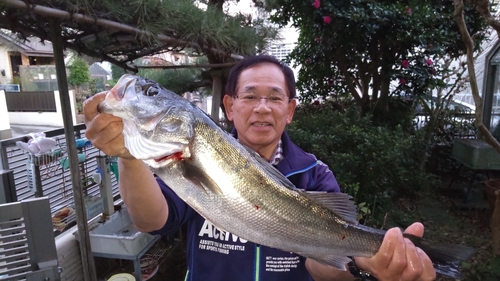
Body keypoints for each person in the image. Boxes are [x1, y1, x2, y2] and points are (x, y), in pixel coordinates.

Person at [84, 55, 436, 281]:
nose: (262, 108)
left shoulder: (314, 173)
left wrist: (365, 261)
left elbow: (321, 264)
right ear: (230, 105)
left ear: (290, 110)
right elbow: (152, 220)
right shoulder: (180, 159)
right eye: (250, 96)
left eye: (275, 97)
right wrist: (128, 155)